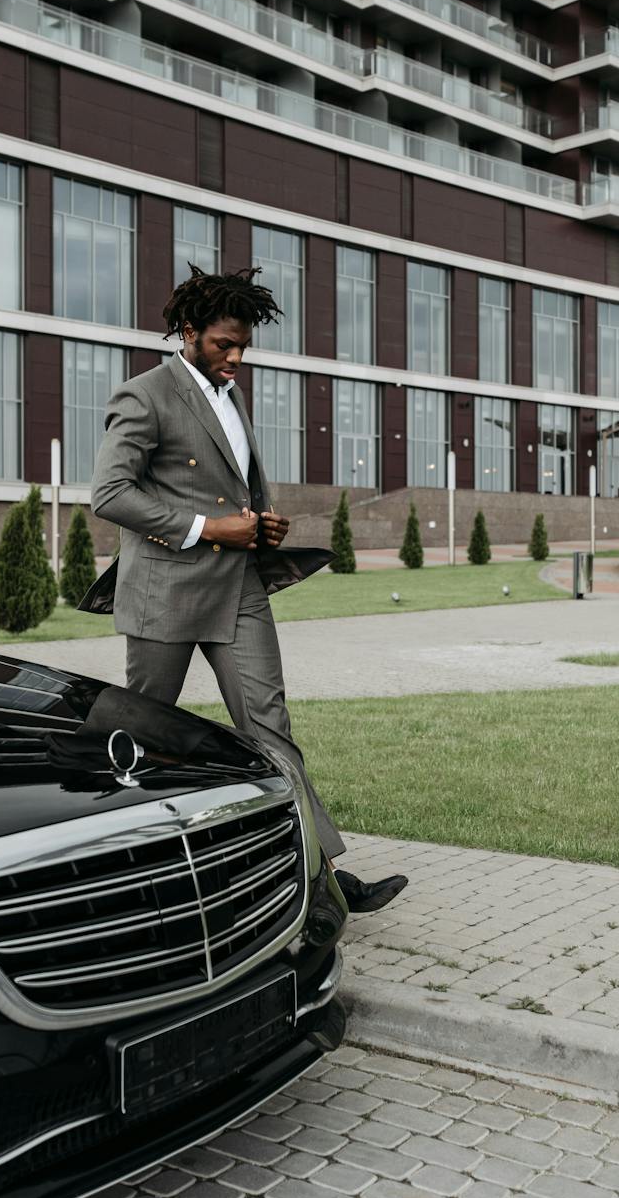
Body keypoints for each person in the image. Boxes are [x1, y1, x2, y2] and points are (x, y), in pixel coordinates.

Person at [88, 266, 407, 914]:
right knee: (139, 741)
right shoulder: (145, 396)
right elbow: (111, 495)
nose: (235, 358)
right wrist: (212, 527)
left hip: (237, 591)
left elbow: (222, 491)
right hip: (165, 595)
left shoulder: (229, 397)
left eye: (242, 348)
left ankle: (318, 880)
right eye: (222, 345)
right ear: (188, 333)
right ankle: (104, 871)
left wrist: (259, 526)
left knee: (271, 728)